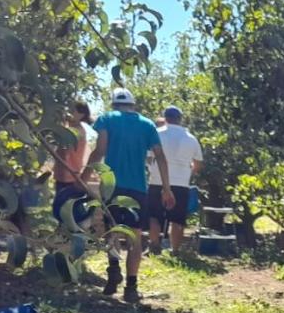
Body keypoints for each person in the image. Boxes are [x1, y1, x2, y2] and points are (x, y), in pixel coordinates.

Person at [83, 88, 174, 302]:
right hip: (137, 188)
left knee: (112, 231)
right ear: (132, 104)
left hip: (111, 186)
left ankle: (113, 270)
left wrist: (84, 176)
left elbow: (100, 150)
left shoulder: (107, 119)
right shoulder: (147, 124)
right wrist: (167, 188)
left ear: (114, 104)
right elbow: (160, 157)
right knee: (134, 236)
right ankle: (131, 287)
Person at [148, 106, 203, 253]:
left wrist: (151, 167)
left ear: (165, 118)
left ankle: (154, 246)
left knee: (154, 216)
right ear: (180, 119)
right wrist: (188, 171)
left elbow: (147, 157)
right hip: (181, 183)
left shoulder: (156, 134)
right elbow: (198, 163)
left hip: (157, 180)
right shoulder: (191, 139)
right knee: (177, 219)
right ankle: (175, 250)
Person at [51, 101, 94, 228]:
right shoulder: (73, 130)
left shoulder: (76, 132)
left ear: (81, 115)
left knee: (67, 214)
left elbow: (65, 152)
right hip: (65, 176)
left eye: (72, 111)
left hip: (69, 177)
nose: (69, 114)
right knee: (66, 213)